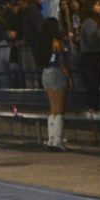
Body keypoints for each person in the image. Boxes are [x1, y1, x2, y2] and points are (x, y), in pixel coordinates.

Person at [35, 17, 71, 151]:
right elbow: (62, 62)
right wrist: (69, 77)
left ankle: (51, 139)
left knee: (52, 108)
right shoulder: (57, 42)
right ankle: (57, 140)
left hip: (46, 72)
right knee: (59, 108)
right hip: (56, 72)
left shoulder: (43, 42)